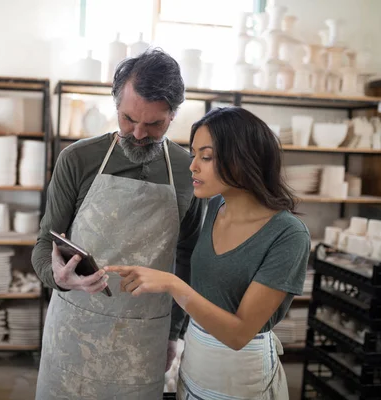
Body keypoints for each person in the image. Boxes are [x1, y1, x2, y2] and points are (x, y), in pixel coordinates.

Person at [31, 48, 205, 399]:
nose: (138, 133)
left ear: (173, 115)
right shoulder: (78, 159)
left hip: (143, 339)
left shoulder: (190, 172)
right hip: (74, 331)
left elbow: (187, 257)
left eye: (154, 124)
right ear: (116, 106)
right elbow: (42, 245)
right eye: (127, 119)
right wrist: (58, 278)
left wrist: (175, 333)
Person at [106, 107, 310, 400]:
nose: (193, 166)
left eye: (206, 157)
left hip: (242, 379)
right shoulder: (214, 208)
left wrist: (172, 284)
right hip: (195, 365)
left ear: (243, 159)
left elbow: (238, 335)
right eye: (194, 155)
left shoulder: (288, 235)